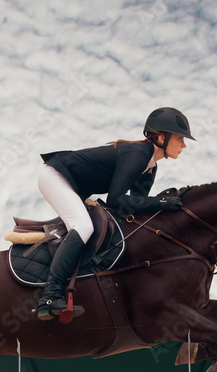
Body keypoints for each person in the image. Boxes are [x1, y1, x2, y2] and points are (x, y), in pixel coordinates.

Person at [34, 107, 194, 320]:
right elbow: (116, 199)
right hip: (55, 175)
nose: (184, 145)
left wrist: (169, 205)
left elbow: (135, 209)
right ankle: (50, 295)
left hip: (73, 186)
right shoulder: (138, 153)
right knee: (83, 226)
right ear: (162, 137)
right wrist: (163, 202)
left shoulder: (150, 166)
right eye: (180, 138)